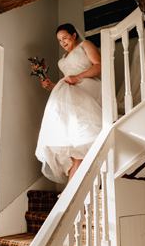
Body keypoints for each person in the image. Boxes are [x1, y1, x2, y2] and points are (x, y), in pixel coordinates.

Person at [35, 24, 102, 184]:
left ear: (73, 35)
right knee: (74, 141)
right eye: (59, 40)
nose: (62, 42)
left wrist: (78, 77)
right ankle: (74, 186)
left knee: (81, 135)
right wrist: (51, 85)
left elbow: (99, 66)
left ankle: (73, 187)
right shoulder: (62, 60)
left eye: (65, 38)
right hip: (71, 90)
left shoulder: (85, 45)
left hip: (87, 86)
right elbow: (66, 80)